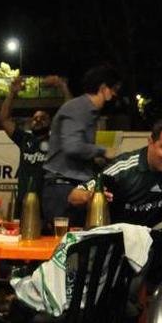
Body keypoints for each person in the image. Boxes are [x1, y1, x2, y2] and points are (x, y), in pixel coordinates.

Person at [41, 65, 121, 228]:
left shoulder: (87, 112)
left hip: (73, 185)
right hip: (63, 188)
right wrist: (103, 151)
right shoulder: (78, 108)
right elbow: (72, 147)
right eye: (114, 90)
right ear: (103, 88)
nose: (115, 95)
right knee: (64, 248)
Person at [0, 74, 62, 218]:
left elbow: (72, 117)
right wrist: (12, 93)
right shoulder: (24, 138)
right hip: (24, 201)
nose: (38, 120)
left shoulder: (56, 141)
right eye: (35, 118)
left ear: (50, 123)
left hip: (47, 203)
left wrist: (62, 86)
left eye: (43, 118)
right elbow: (4, 119)